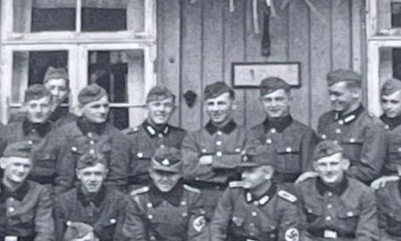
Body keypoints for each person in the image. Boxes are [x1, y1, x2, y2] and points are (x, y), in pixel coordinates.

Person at [181, 80, 250, 213]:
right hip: (202, 200)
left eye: (221, 103)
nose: (216, 109)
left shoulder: (247, 136)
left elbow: (251, 166)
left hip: (237, 200)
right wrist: (233, 163)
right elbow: (189, 172)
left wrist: (211, 161)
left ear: (233, 105)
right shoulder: (193, 137)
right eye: (211, 104)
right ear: (204, 107)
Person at [51, 150, 129, 241]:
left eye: (97, 174)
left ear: (105, 174)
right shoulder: (63, 202)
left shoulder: (120, 201)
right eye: (87, 174)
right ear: (78, 174)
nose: (92, 179)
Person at [315, 68, 388, 185]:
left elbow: (370, 170)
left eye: (338, 94)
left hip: (355, 192)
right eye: (330, 94)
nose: (332, 99)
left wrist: (334, 174)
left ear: (356, 93)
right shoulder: (325, 120)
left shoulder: (372, 125)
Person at [52, 84, 128, 191]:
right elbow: (64, 178)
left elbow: (118, 180)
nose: (102, 111)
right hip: (72, 198)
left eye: (105, 106)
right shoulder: (65, 134)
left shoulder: (117, 136)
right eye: (95, 107)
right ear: (81, 108)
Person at [244, 75, 315, 187]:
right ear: (261, 102)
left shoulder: (304, 133)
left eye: (279, 99)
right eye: (268, 100)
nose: (273, 105)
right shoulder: (253, 133)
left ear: (289, 101)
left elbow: (307, 173)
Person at [122, 86, 187, 186]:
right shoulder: (128, 138)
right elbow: (120, 177)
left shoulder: (182, 137)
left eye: (167, 105)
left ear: (174, 109)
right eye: (156, 105)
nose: (162, 109)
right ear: (146, 107)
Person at [3, 84, 63, 188]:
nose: (38, 111)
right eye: (33, 105)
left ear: (51, 107)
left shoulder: (59, 136)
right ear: (25, 106)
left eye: (44, 106)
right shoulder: (8, 132)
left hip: (45, 195)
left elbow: (64, 178)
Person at [42, 67, 73, 132]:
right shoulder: (33, 114)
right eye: (51, 88)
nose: (56, 93)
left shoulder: (71, 121)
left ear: (68, 92)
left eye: (61, 89)